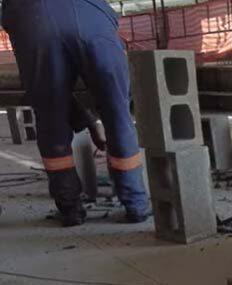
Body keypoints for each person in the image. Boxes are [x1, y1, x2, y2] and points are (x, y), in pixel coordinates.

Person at [1, 0, 149, 226]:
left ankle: (70, 208)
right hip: (91, 15)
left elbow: (51, 94)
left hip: (31, 17)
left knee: (51, 120)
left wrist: (83, 120)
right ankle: (136, 204)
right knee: (118, 113)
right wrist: (88, 120)